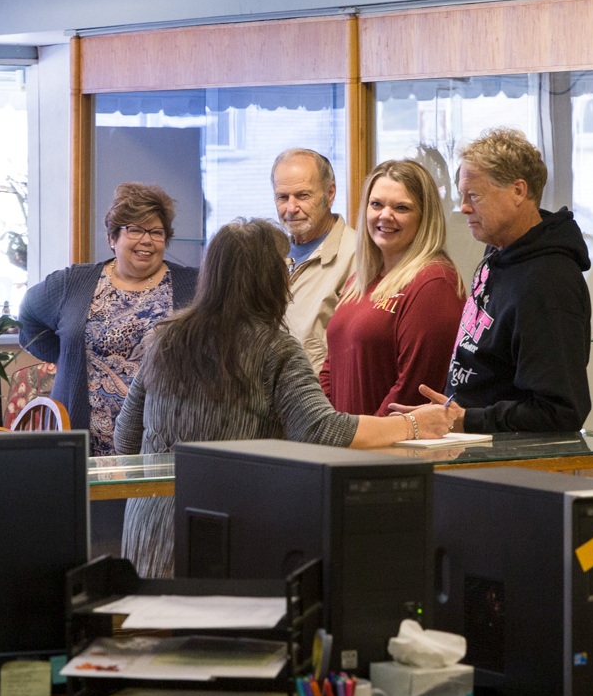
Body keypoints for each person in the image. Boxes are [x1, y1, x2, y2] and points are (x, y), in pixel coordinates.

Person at [114, 218, 453, 577]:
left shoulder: (165, 338)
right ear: (270, 278)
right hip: (227, 539)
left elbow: (126, 438)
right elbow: (321, 431)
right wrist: (412, 424)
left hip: (147, 537)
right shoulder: (274, 349)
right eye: (286, 265)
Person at [410, 127, 592, 434]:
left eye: (474, 195)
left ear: (518, 191)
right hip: (468, 443)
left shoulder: (549, 281)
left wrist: (467, 420)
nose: (463, 207)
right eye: (462, 195)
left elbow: (559, 412)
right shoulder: (498, 252)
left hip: (510, 456)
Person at [17, 182, 198, 456]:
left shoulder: (192, 286)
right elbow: (27, 315)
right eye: (135, 230)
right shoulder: (73, 283)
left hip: (160, 445)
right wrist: (67, 355)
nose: (146, 240)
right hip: (83, 445)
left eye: (156, 232)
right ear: (113, 238)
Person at [318, 159, 465, 416]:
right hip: (347, 438)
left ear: (425, 217)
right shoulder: (360, 280)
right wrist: (329, 427)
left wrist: (366, 436)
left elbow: (412, 390)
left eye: (401, 207)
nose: (385, 215)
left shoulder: (433, 284)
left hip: (388, 440)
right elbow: (332, 365)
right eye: (376, 204)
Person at [271, 148, 358, 373]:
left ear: (330, 194)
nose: (291, 208)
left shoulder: (358, 256)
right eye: (282, 197)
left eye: (303, 196)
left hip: (318, 393)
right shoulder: (270, 255)